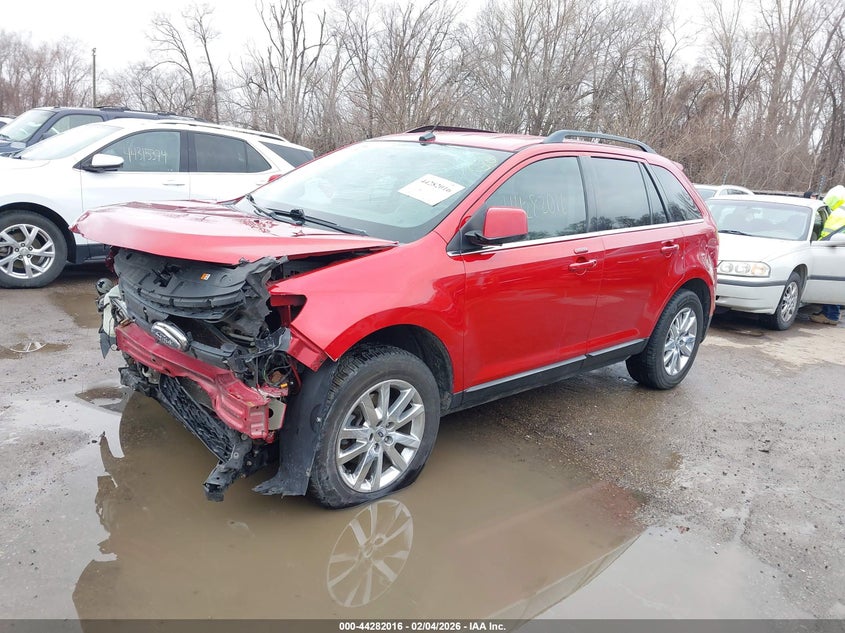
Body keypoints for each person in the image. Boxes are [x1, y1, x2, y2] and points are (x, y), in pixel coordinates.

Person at [810, 185, 845, 325]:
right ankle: (829, 312)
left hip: (834, 250)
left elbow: (829, 235)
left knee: (831, 283)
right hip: (834, 250)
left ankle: (831, 315)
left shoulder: (839, 213)